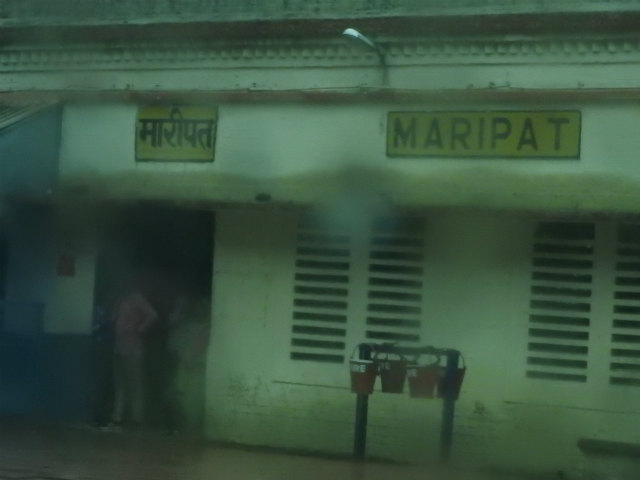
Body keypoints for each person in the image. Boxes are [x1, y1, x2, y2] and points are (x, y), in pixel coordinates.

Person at [109, 290, 158, 428]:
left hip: (133, 349)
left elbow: (153, 315)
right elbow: (113, 319)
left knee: (135, 385)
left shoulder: (136, 298)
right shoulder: (120, 299)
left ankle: (136, 419)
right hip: (119, 349)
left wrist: (139, 328)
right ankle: (117, 418)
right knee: (120, 385)